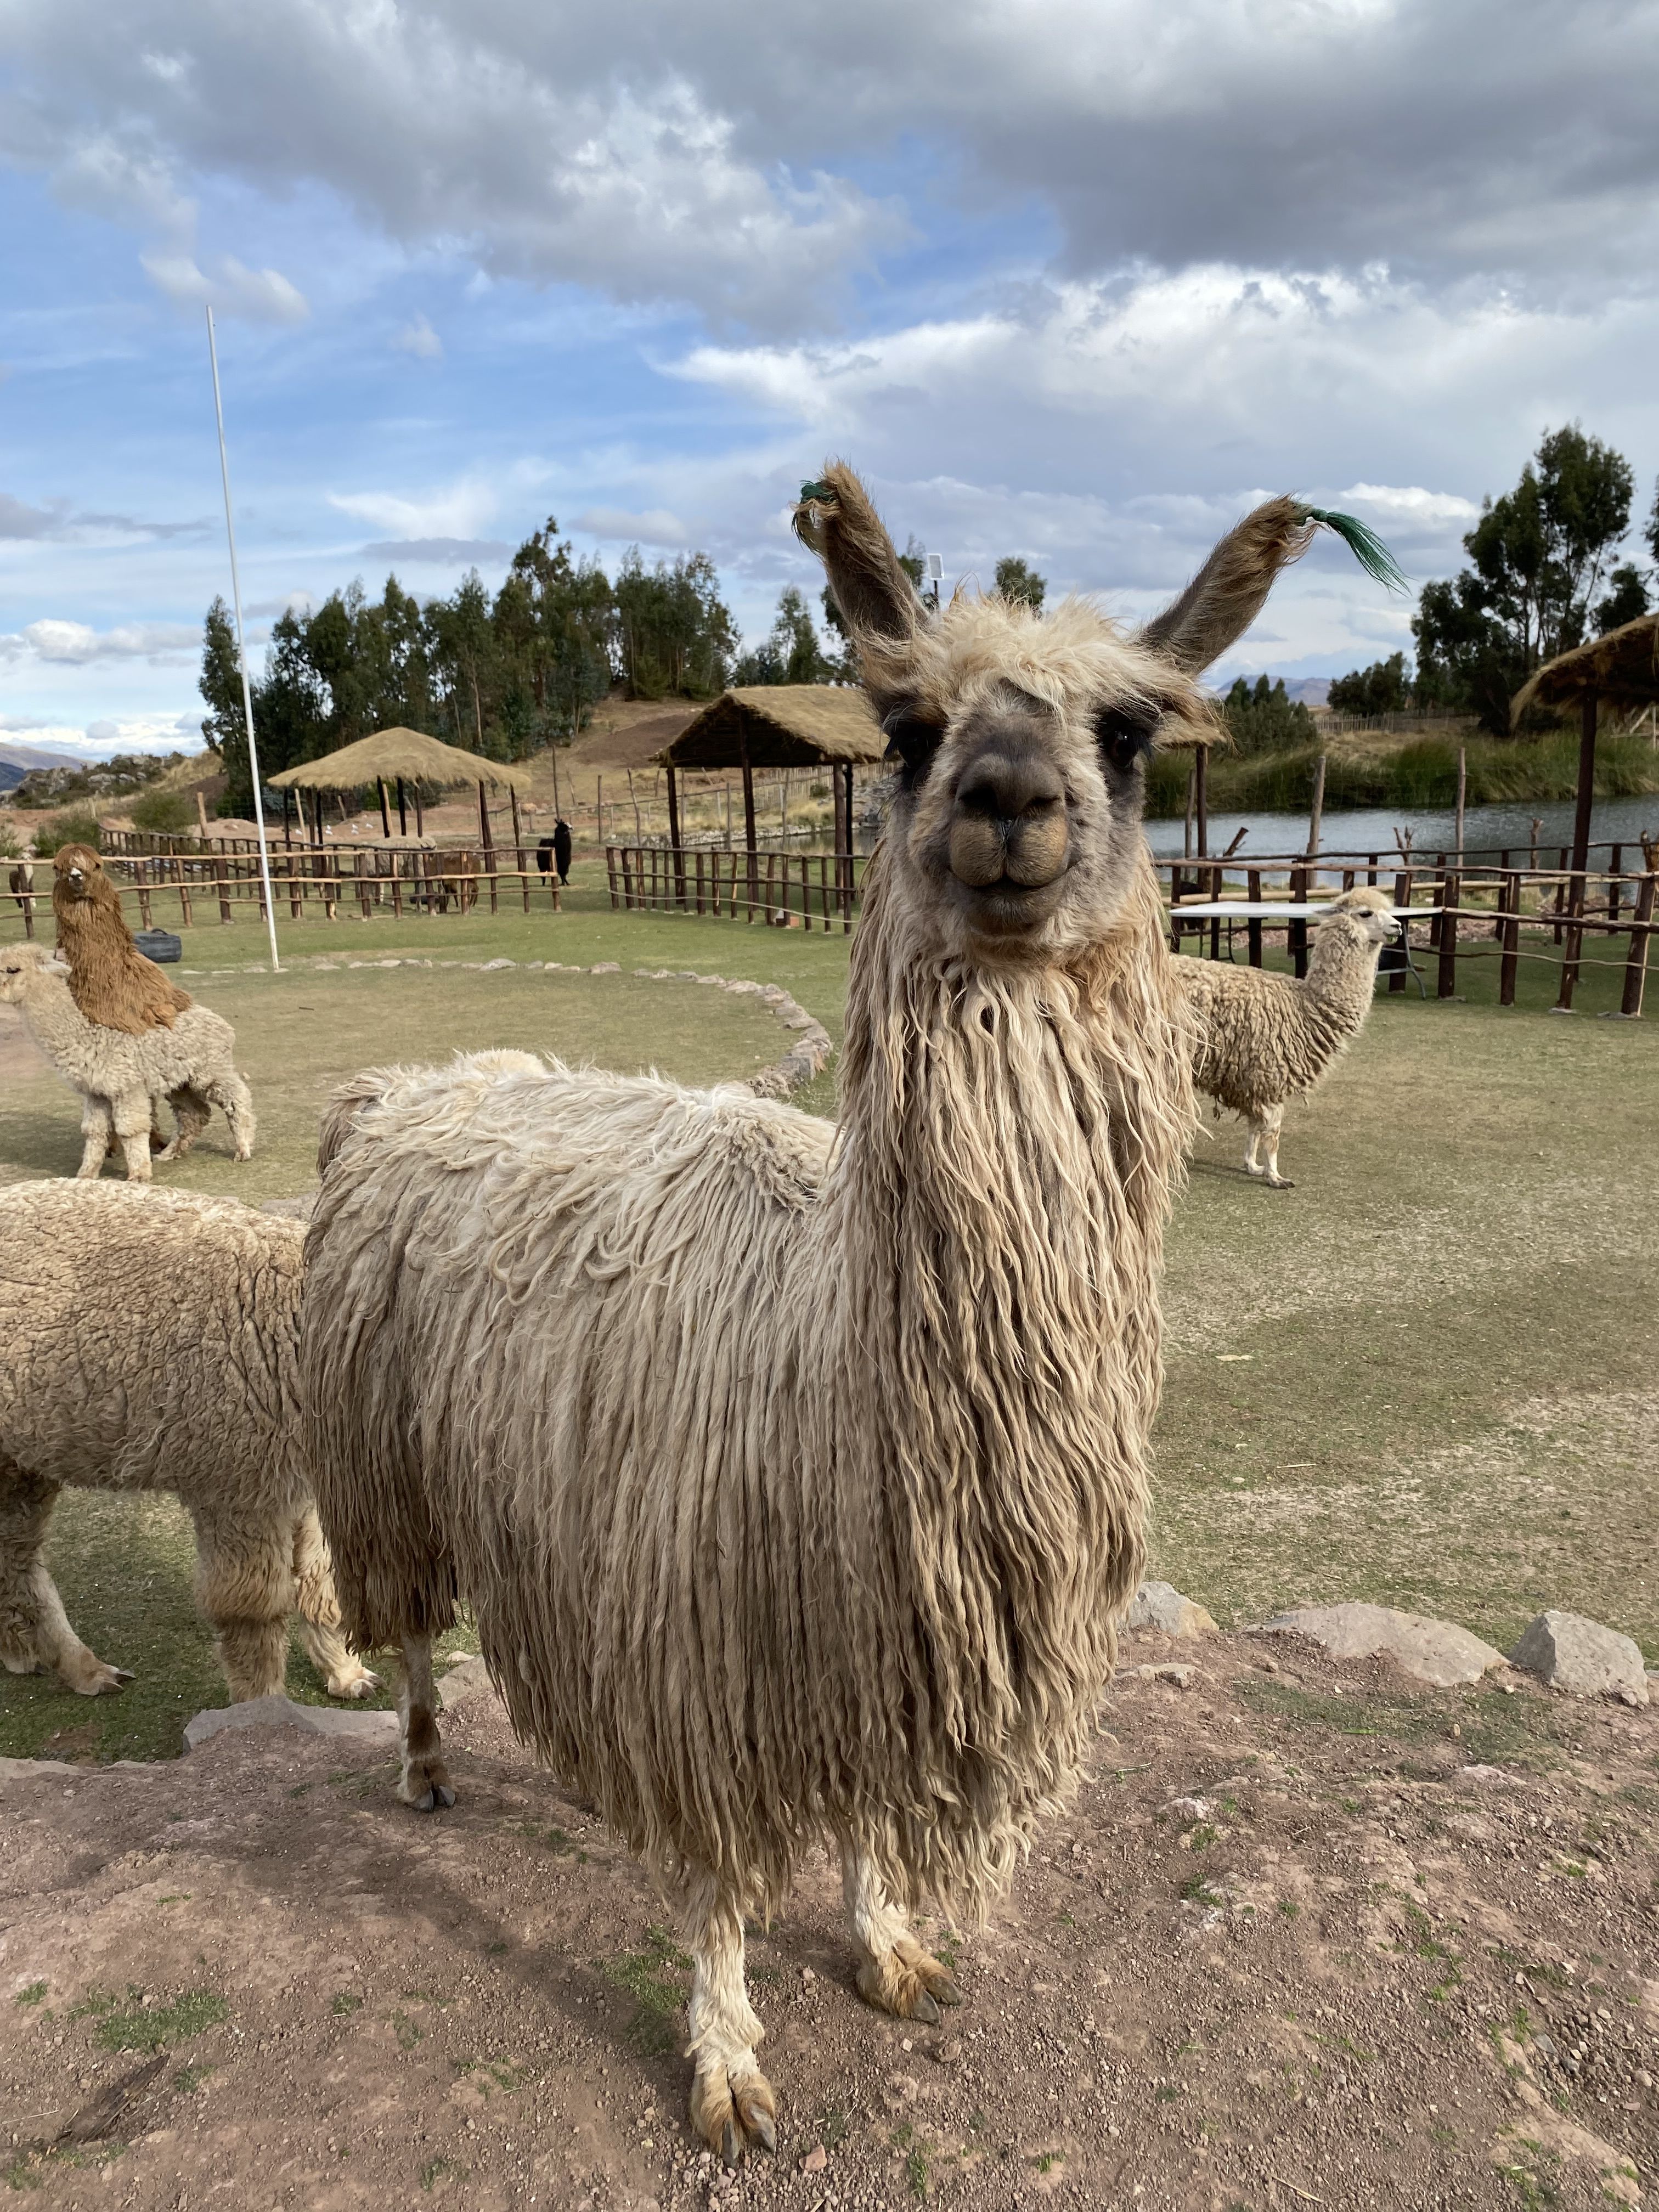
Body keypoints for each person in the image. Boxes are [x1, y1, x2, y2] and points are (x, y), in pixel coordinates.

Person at [552, 817, 572, 887]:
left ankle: (564, 880)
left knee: (564, 865)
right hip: (560, 852)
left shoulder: (565, 835)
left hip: (565, 852)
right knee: (561, 865)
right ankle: (564, 880)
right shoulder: (560, 834)